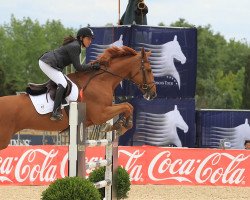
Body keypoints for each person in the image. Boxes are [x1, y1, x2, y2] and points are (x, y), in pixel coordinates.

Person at [39, 27, 100, 121]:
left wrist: (90, 66)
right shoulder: (75, 47)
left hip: (49, 63)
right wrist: (92, 66)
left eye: (91, 39)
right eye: (88, 39)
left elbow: (78, 68)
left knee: (65, 82)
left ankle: (60, 105)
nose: (90, 41)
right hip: (47, 63)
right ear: (81, 38)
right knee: (63, 83)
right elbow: (79, 67)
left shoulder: (76, 45)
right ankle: (55, 112)